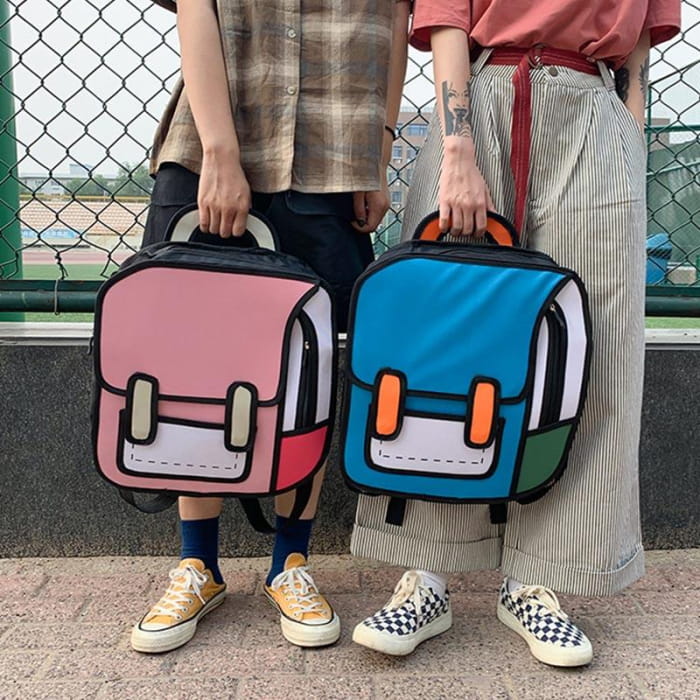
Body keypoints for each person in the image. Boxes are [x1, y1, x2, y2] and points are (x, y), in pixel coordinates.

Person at [350, 0, 681, 666]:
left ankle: (539, 577)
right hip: (483, 95)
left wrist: (629, 128)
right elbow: (447, 17)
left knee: (592, 349)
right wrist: (457, 143)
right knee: (443, 345)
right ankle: (427, 572)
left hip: (594, 108)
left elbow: (642, 40)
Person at [130, 0, 410, 654]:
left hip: (334, 152)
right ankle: (197, 563)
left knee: (312, 366)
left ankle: (291, 562)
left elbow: (396, 20)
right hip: (210, 143)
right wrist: (221, 152)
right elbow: (196, 7)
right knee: (192, 365)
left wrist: (378, 151)